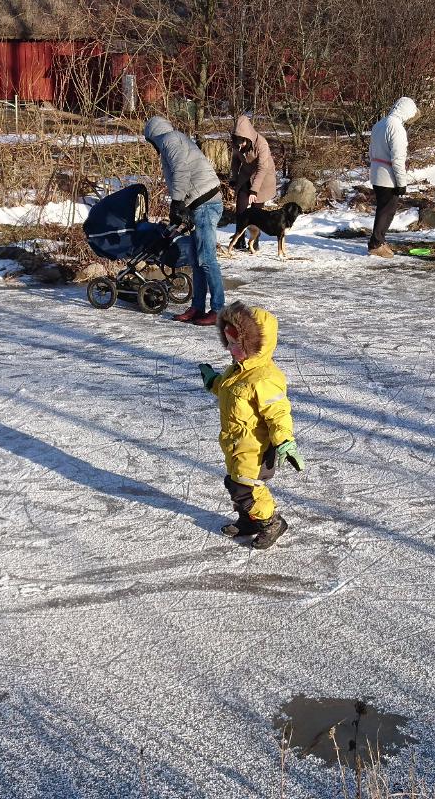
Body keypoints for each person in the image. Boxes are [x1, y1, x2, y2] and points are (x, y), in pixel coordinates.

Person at [197, 301, 302, 550]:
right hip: (236, 443)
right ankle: (249, 520)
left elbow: (278, 412)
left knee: (247, 490)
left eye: (237, 345)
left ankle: (272, 523)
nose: (231, 351)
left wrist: (285, 440)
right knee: (234, 483)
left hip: (256, 448)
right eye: (229, 344)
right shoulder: (237, 370)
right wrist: (213, 381)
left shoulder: (265, 377)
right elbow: (228, 390)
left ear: (256, 345)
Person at [144, 116, 223, 325]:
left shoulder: (171, 140)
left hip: (206, 204)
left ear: (152, 136)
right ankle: (197, 307)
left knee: (206, 259)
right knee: (197, 262)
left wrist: (177, 202)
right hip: (198, 204)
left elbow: (181, 170)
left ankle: (219, 310)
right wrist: (183, 208)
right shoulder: (173, 141)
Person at [367, 97, 416, 258]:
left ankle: (379, 240)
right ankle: (376, 243)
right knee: (387, 211)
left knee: (383, 208)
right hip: (388, 177)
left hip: (376, 173)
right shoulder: (396, 128)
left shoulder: (380, 124)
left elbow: (371, 150)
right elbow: (398, 159)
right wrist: (402, 182)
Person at [230, 113, 278, 251]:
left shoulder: (261, 143)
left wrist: (254, 190)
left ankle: (254, 242)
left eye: (243, 141)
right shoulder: (236, 144)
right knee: (241, 209)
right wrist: (234, 178)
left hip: (263, 179)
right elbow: (235, 161)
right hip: (246, 176)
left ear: (249, 137)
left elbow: (262, 168)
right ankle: (238, 240)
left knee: (256, 213)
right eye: (238, 141)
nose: (241, 144)